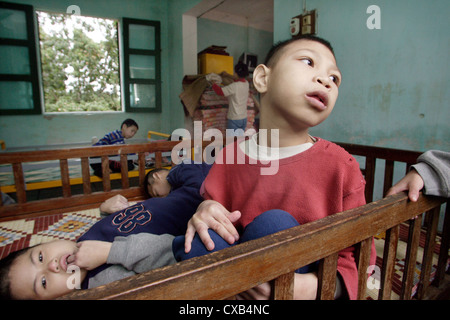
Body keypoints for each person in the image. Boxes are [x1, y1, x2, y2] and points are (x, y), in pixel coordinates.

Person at [173, 35, 375, 300]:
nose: (326, 81)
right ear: (262, 79)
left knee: (274, 225)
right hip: (236, 276)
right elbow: (214, 212)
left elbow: (358, 263)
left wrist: (308, 287)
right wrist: (205, 210)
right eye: (308, 61)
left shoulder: (341, 166)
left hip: (301, 283)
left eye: (335, 78)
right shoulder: (230, 155)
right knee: (198, 242)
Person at [0, 161, 211, 299]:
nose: (52, 266)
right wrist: (108, 252)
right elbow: (169, 254)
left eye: (39, 257)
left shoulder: (81, 241)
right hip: (195, 206)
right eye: (43, 282)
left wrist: (104, 212)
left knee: (201, 167)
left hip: (179, 198)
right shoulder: (102, 282)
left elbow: (111, 229)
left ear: (43, 243)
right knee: (192, 171)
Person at [206, 62, 250, 135]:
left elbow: (220, 92)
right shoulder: (246, 83)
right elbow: (236, 79)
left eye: (234, 72)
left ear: (236, 73)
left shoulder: (234, 86)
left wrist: (213, 83)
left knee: (231, 143)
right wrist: (227, 75)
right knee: (239, 141)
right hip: (243, 118)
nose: (233, 74)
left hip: (234, 119)